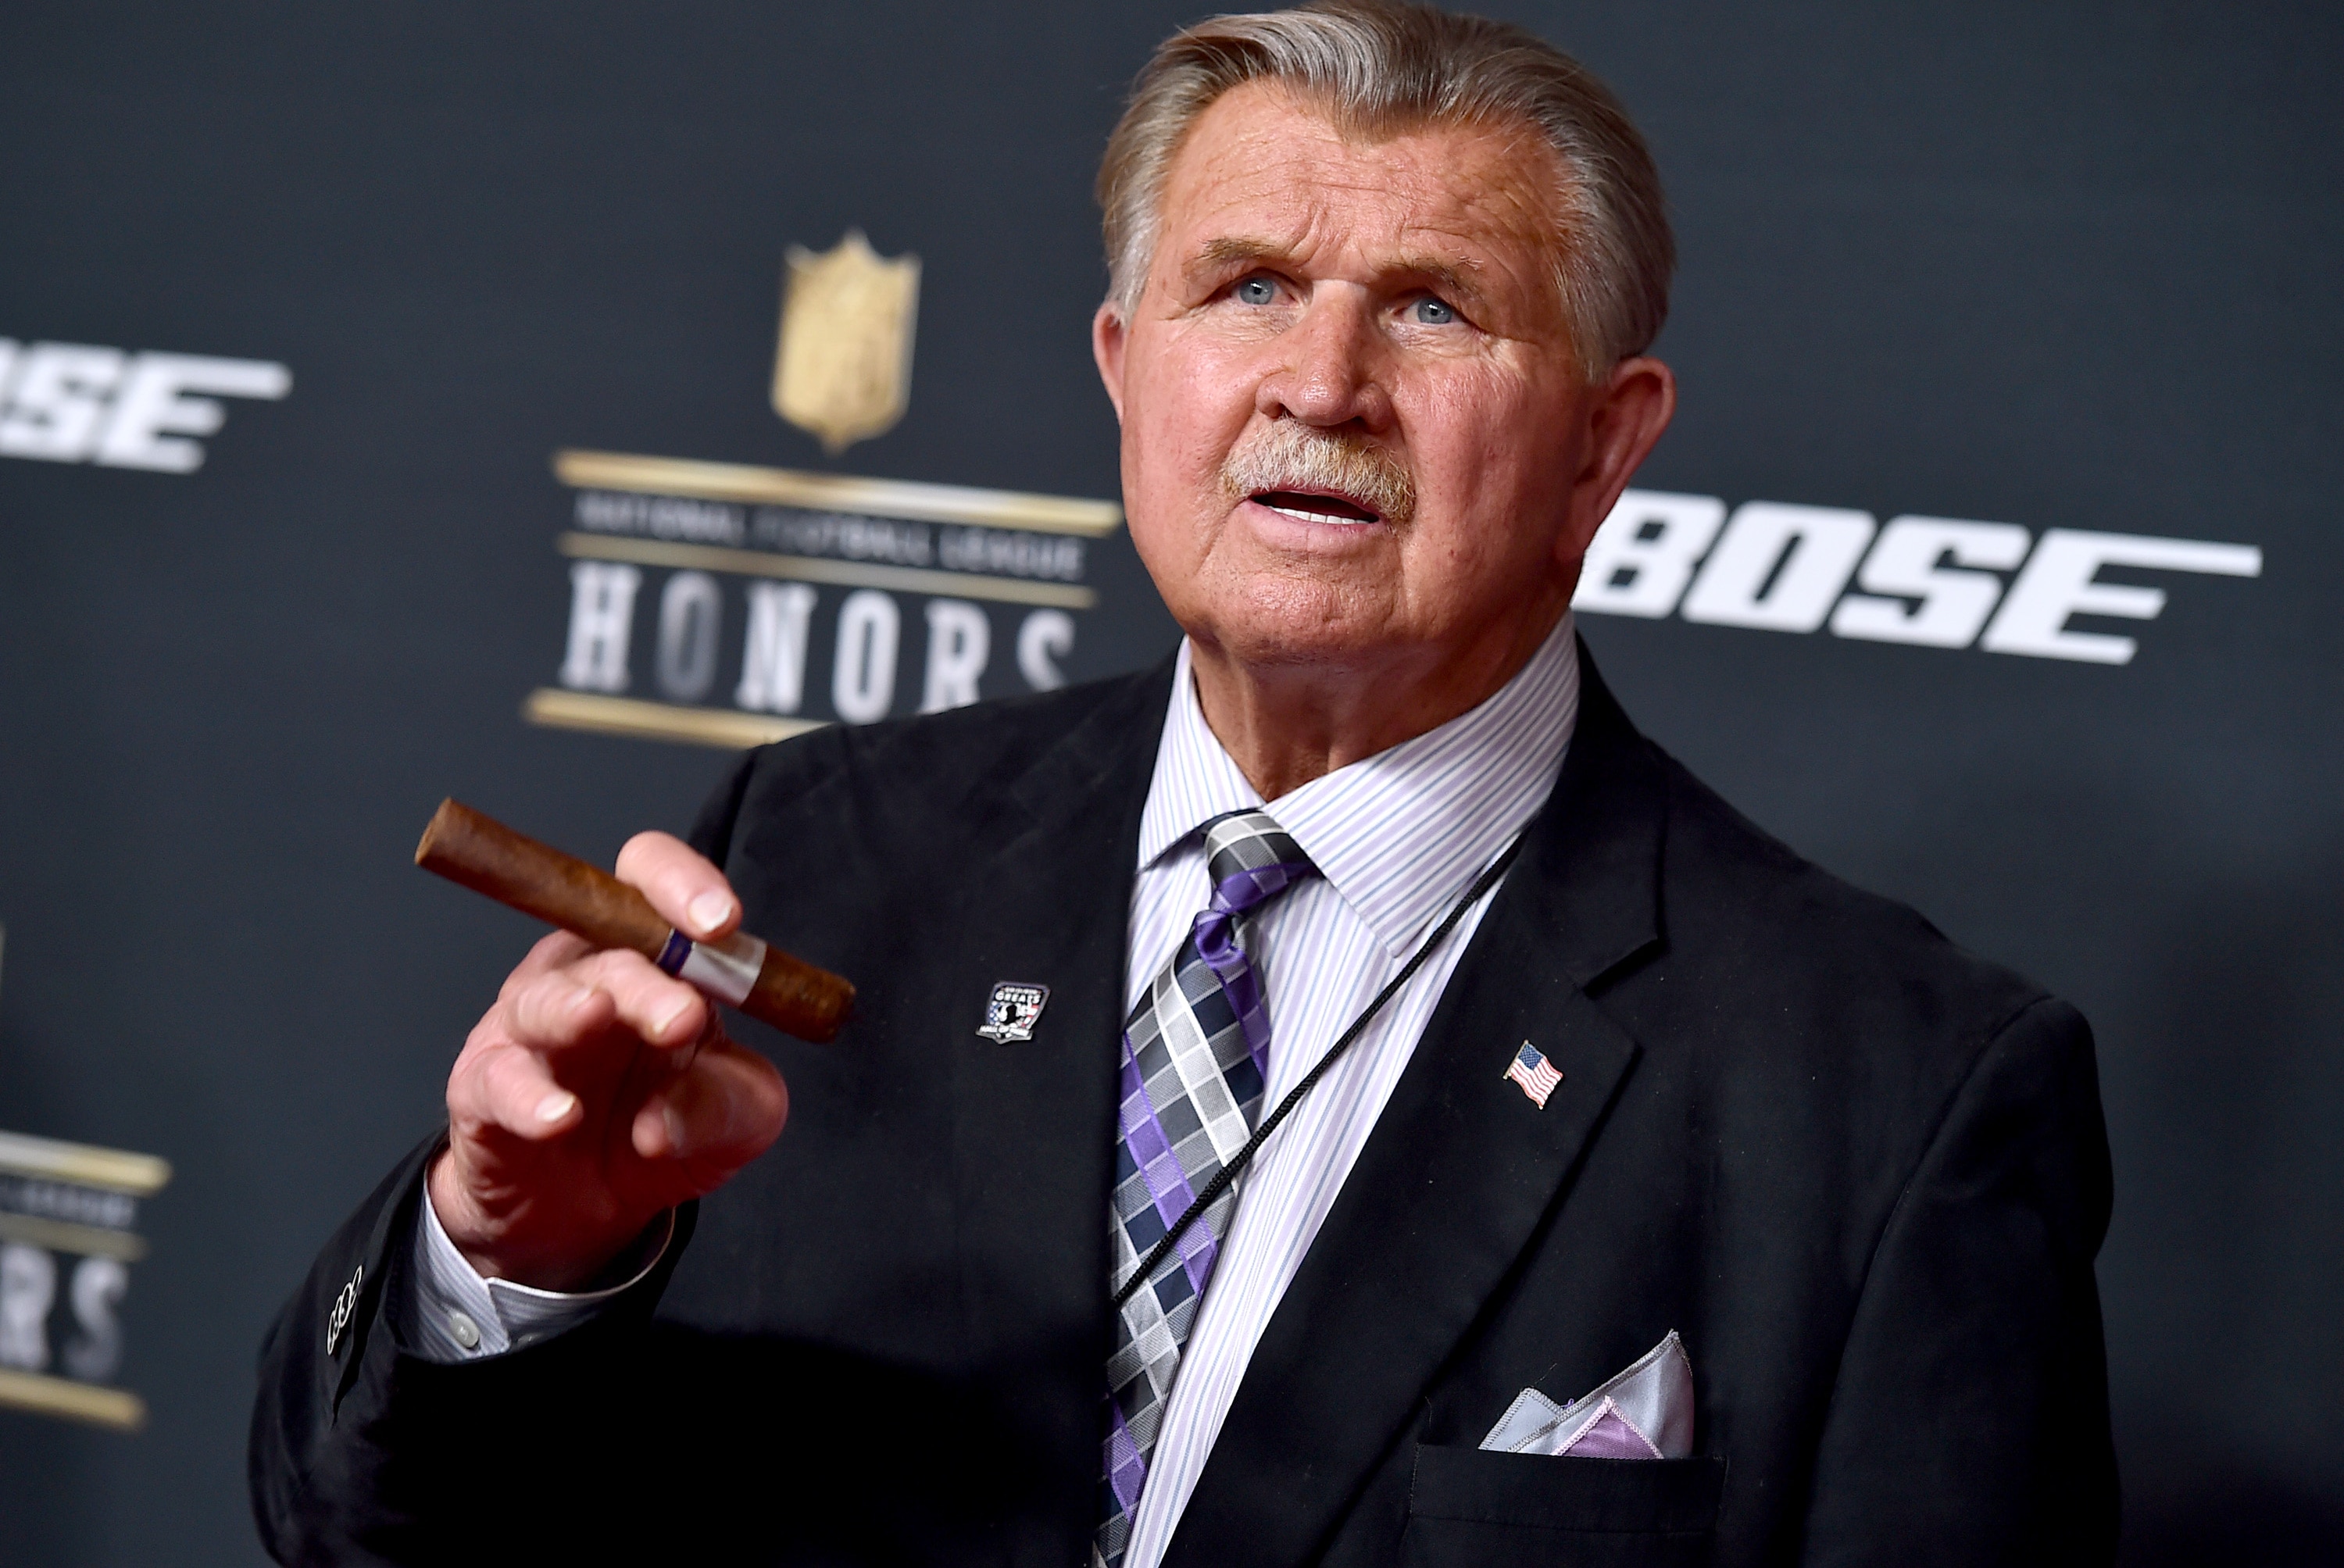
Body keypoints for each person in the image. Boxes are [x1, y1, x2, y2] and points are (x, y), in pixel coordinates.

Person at [249, 4, 2118, 1563]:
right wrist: (515, 1264)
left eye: (1439, 309)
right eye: (1248, 285)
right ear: (1131, 373)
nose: (1323, 379)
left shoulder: (1895, 1094)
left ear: (1603, 446)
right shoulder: (812, 853)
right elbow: (367, 1529)